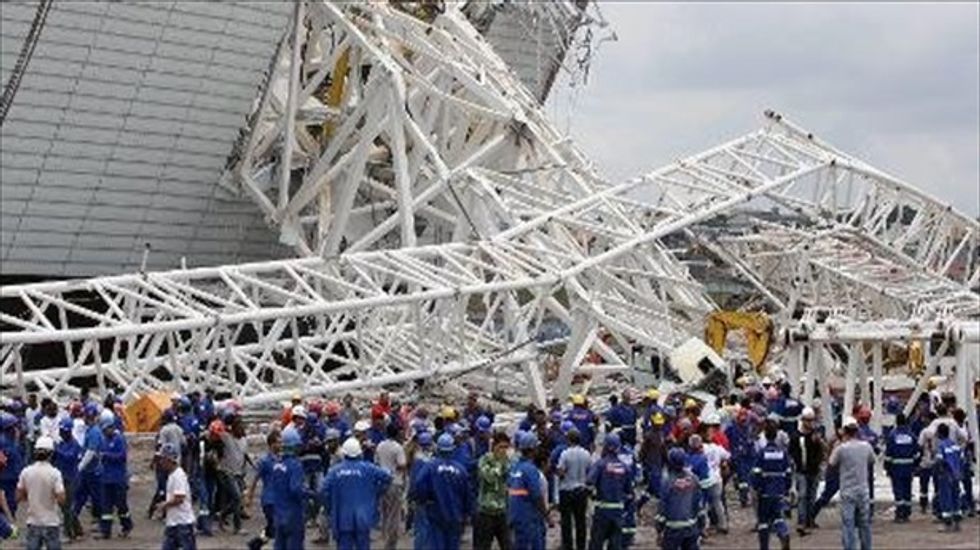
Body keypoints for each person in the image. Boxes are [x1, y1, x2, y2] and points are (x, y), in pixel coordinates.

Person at [321, 437, 393, 550]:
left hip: (342, 519)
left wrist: (330, 507)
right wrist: (376, 492)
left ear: (344, 454)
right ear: (360, 453)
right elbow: (388, 477)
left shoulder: (334, 471)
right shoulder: (368, 468)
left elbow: (324, 490)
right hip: (363, 518)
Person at [412, 433, 471, 550]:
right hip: (455, 515)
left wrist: (423, 500)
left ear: (438, 448)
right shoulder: (461, 470)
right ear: (452, 449)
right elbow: (467, 494)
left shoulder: (429, 467)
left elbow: (419, 484)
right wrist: (466, 513)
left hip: (436, 514)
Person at [828, 417, 874, 550]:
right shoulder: (866, 446)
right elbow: (871, 461)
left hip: (847, 491)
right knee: (864, 523)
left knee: (848, 524)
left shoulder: (841, 449)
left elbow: (831, 463)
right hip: (863, 490)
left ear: (845, 431)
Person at [16, 435, 64, 550]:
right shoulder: (55, 473)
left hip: (33, 521)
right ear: (51, 454)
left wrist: (32, 496)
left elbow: (18, 496)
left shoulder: (26, 472)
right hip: (51, 521)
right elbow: (61, 499)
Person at [587, 433, 632, 550]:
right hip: (618, 512)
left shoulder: (600, 465)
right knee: (615, 545)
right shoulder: (625, 467)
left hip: (602, 512)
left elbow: (589, 483)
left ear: (605, 447)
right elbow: (629, 493)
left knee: (596, 544)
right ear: (618, 448)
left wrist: (592, 495)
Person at [752, 421, 791, 550]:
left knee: (763, 521)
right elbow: (788, 472)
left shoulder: (762, 453)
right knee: (778, 516)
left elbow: (756, 472)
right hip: (779, 490)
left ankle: (764, 547)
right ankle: (783, 532)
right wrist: (786, 488)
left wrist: (756, 487)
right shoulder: (783, 453)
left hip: (765, 491)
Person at [655, 447, 701, 550]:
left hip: (672, 529)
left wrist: (659, 528)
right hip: (691, 528)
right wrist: (700, 525)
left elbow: (663, 506)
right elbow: (698, 503)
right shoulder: (693, 478)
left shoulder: (667, 481)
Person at [271, 427, 309, 550]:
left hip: (279, 514)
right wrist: (310, 494)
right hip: (293, 515)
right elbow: (295, 489)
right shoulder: (295, 465)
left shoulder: (277, 464)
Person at [507, 432, 546, 550]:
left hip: (515, 516)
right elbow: (537, 496)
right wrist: (546, 515)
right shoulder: (531, 469)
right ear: (532, 449)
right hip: (529, 518)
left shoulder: (514, 467)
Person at [788, 406, 824, 534]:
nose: (810, 423)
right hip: (801, 470)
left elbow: (821, 452)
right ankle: (802, 520)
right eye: (807, 420)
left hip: (813, 470)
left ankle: (810, 519)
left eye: (811, 420)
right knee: (802, 495)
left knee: (811, 496)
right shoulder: (796, 436)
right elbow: (791, 452)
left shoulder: (816, 436)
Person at [98, 410, 132, 538]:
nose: (105, 432)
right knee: (106, 506)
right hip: (106, 478)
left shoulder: (119, 439)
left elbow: (122, 456)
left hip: (118, 478)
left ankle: (127, 525)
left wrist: (107, 456)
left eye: (106, 429)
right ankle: (105, 531)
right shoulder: (104, 439)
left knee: (121, 505)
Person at [475, 432, 512, 550]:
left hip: (502, 511)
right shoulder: (485, 460)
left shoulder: (508, 461)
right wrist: (501, 464)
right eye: (501, 447)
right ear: (494, 446)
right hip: (486, 512)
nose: (503, 450)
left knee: (508, 545)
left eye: (506, 447)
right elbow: (489, 477)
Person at [246, 430, 281, 550]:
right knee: (276, 525)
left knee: (275, 526)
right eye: (278, 443)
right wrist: (249, 496)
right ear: (271, 444)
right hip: (269, 500)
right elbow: (255, 479)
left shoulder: (281, 460)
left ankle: (256, 543)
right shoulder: (265, 461)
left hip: (279, 499)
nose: (281, 445)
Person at [158, 442, 196, 550]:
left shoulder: (178, 476)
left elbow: (179, 498)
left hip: (182, 523)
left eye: (163, 459)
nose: (161, 462)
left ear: (169, 460)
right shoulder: (172, 475)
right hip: (174, 522)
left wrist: (164, 505)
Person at [557, 428, 591, 550]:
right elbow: (590, 472)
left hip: (566, 490)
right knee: (580, 521)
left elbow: (561, 472)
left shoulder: (565, 453)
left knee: (566, 523)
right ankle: (581, 546)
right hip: (581, 491)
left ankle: (568, 546)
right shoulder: (586, 454)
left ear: (568, 439)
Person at [375, 423, 407, 550]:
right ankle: (390, 544)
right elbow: (402, 464)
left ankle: (384, 537)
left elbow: (376, 462)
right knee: (394, 514)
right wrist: (395, 468)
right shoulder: (397, 447)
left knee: (384, 513)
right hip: (395, 482)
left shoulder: (380, 445)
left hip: (382, 483)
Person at [883, 412, 918, 523]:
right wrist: (915, 466)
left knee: (898, 491)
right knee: (907, 490)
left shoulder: (892, 436)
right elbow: (916, 453)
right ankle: (907, 513)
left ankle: (900, 513)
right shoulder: (911, 436)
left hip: (896, 467)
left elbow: (889, 454)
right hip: (909, 467)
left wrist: (887, 467)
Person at [73, 403, 103, 526]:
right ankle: (72, 517)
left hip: (93, 471)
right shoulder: (90, 430)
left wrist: (79, 467)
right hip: (89, 470)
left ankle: (101, 522)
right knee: (80, 495)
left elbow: (90, 452)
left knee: (96, 497)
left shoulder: (94, 432)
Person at [52, 418, 82, 540]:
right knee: (64, 506)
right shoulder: (62, 443)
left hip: (71, 479)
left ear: (69, 431)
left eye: (63, 431)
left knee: (67, 506)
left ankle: (68, 534)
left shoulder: (74, 445)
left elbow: (70, 457)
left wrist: (57, 451)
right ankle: (78, 530)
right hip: (61, 478)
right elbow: (56, 461)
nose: (61, 433)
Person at [933, 423, 963, 532]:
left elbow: (940, 461)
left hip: (946, 475)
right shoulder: (955, 445)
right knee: (956, 498)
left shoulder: (941, 445)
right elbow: (961, 459)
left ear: (940, 433)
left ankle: (947, 524)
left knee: (946, 499)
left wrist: (939, 472)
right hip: (956, 475)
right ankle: (957, 524)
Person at [408, 431, 435, 550]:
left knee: (421, 528)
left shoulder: (418, 459)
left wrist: (411, 497)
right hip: (430, 498)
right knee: (428, 528)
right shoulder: (431, 460)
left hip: (420, 498)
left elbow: (414, 481)